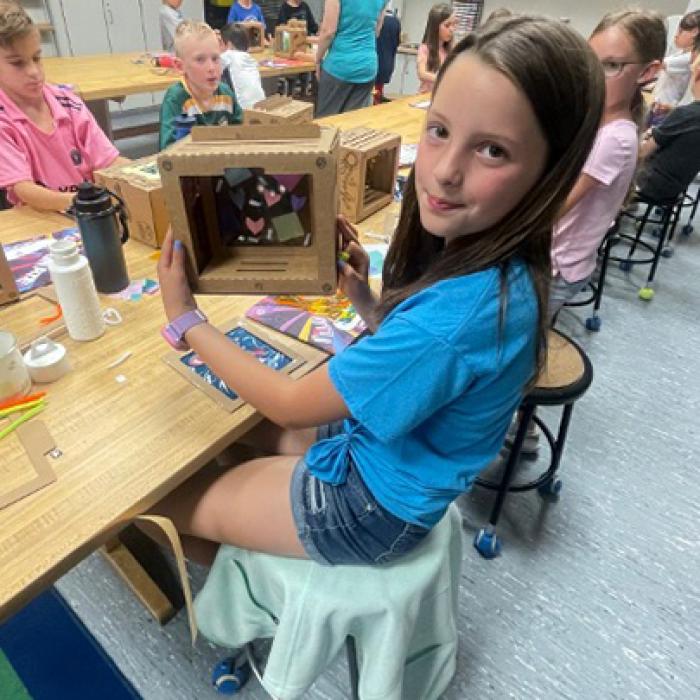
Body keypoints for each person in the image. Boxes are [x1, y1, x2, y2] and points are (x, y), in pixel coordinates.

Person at [152, 15, 604, 567]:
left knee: (162, 497)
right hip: (386, 453)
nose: (444, 173)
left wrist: (186, 319)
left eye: (492, 151)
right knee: (219, 440)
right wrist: (365, 300)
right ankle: (248, 534)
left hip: (370, 507)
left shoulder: (463, 313)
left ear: (553, 170)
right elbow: (436, 367)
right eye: (439, 131)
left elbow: (293, 405)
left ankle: (242, 578)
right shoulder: (499, 267)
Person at [549, 9, 666, 319]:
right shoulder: (603, 124)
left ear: (647, 72)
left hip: (558, 269)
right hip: (558, 263)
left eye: (611, 65)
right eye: (590, 62)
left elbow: (554, 209)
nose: (593, 77)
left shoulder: (615, 139)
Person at [0, 1, 123, 212]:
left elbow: (109, 162)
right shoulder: (4, 121)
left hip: (88, 213)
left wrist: (146, 175)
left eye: (37, 58)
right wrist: (84, 202)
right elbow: (24, 189)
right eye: (17, 63)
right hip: (41, 221)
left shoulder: (69, 103)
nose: (34, 71)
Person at [159, 20, 243, 150]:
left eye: (215, 58)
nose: (211, 68)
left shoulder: (226, 94)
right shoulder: (176, 99)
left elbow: (241, 133)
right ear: (180, 66)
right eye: (200, 60)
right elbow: (169, 150)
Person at [637, 54, 700, 205]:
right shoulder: (687, 114)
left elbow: (642, 152)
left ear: (697, 73)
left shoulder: (685, 114)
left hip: (650, 183)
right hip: (677, 186)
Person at [315, 0, 388, 118]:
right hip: (367, 65)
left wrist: (318, 59)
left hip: (340, 65)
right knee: (352, 124)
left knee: (326, 124)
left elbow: (328, 31)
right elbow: (377, 31)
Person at [649, 10, 700, 126]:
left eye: (681, 31)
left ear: (695, 32)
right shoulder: (681, 54)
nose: (676, 35)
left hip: (666, 109)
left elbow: (660, 64)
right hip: (661, 106)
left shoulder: (688, 58)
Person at [220, 22, 265, 108]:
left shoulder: (229, 55)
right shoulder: (251, 59)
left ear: (229, 45)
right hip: (261, 105)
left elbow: (211, 65)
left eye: (221, 42)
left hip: (243, 109)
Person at [417, 3, 455, 94]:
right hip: (424, 96)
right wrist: (443, 79)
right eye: (447, 25)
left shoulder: (451, 50)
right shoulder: (425, 49)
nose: (452, 29)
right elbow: (421, 73)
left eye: (454, 25)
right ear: (435, 27)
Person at [374, 6, 401, 104]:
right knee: (379, 88)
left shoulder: (376, 19)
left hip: (374, 60)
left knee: (372, 93)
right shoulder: (396, 22)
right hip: (388, 62)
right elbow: (397, 42)